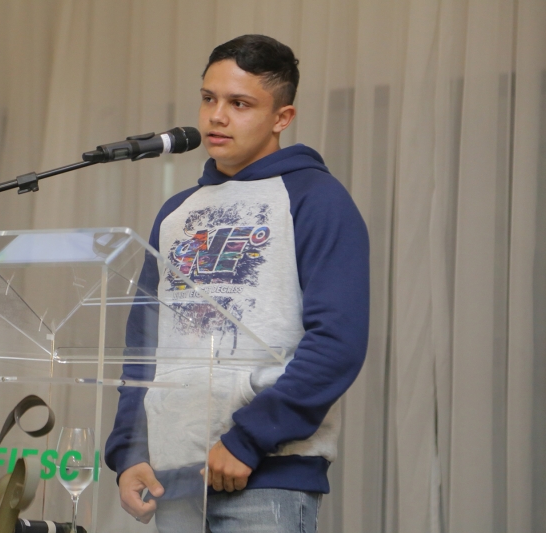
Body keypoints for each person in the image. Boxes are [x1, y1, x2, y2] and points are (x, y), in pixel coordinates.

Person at [105, 34, 369, 532]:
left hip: (265, 475)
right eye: (209, 98)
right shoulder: (175, 212)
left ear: (281, 118)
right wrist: (130, 449)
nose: (216, 116)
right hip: (172, 478)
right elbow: (142, 344)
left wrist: (248, 438)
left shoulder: (317, 199)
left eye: (239, 103)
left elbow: (337, 342)